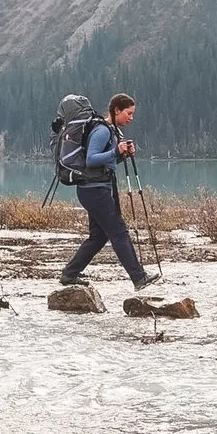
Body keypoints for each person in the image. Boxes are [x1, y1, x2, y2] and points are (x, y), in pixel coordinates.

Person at [59, 92, 157, 290]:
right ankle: (139, 278)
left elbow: (106, 163)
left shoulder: (111, 131)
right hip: (94, 190)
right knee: (119, 232)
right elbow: (91, 159)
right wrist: (115, 152)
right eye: (128, 113)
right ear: (116, 110)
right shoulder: (103, 131)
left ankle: (70, 274)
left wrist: (122, 156)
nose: (131, 118)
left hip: (97, 188)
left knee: (99, 236)